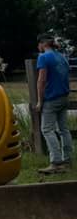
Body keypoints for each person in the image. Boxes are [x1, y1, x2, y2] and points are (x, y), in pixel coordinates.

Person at [36, 33, 73, 175]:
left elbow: (41, 80)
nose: (38, 46)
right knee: (64, 130)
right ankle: (67, 162)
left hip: (51, 99)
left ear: (43, 44)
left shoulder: (43, 57)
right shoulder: (61, 57)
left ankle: (56, 163)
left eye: (39, 43)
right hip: (64, 97)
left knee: (47, 129)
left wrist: (40, 101)